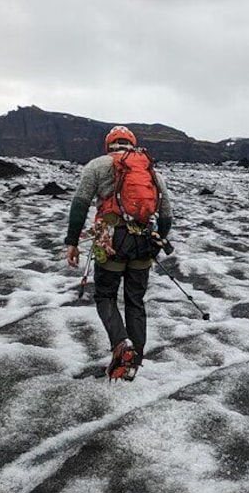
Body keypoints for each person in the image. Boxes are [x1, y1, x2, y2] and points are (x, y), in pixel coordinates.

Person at [65, 125, 173, 380]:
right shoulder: (150, 172)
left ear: (109, 145)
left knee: (105, 296)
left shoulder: (97, 165)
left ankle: (121, 345)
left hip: (111, 240)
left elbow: (80, 204)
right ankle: (132, 364)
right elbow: (166, 214)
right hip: (144, 243)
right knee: (136, 301)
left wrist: (72, 241)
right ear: (132, 144)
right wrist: (158, 242)